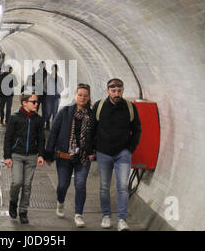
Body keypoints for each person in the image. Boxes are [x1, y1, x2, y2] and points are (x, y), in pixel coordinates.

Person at [87, 78, 142, 231]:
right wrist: (91, 149)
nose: (117, 94)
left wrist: (129, 149)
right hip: (103, 153)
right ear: (108, 91)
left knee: (122, 186)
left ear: (123, 90)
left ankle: (122, 220)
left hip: (122, 154)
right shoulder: (99, 106)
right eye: (113, 91)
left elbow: (137, 129)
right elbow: (91, 129)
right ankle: (106, 216)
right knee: (104, 187)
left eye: (119, 91)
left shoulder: (130, 108)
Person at [44, 83, 93, 228]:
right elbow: (53, 132)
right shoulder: (65, 112)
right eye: (80, 95)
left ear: (89, 97)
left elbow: (97, 135)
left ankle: (78, 214)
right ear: (75, 95)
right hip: (64, 156)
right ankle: (60, 201)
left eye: (85, 95)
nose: (82, 98)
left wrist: (94, 151)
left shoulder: (91, 115)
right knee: (63, 185)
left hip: (83, 157)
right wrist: (49, 154)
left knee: (80, 184)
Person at [3, 93, 45, 224]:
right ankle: (13, 202)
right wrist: (7, 156)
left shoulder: (38, 119)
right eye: (33, 102)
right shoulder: (15, 118)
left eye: (36, 102)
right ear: (24, 103)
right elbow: (8, 138)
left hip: (31, 156)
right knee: (17, 182)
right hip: (17, 155)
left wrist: (41, 155)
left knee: (27, 185)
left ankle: (23, 211)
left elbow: (41, 138)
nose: (36, 104)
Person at [45, 64, 64, 130]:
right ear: (51, 69)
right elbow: (45, 86)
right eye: (53, 69)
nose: (54, 70)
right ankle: (47, 122)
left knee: (55, 112)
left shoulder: (59, 78)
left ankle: (53, 128)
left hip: (56, 97)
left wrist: (58, 92)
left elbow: (62, 87)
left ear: (57, 70)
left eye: (55, 69)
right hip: (49, 97)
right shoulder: (48, 77)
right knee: (48, 112)